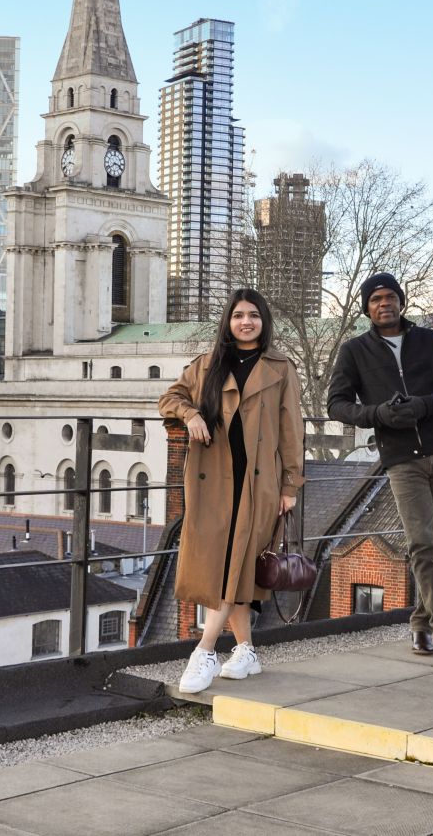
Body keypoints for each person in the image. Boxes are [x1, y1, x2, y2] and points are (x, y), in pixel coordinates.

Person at [159, 288, 306, 694]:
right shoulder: (207, 366)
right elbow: (168, 398)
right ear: (228, 320)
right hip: (213, 481)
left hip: (260, 484)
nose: (246, 321)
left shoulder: (280, 368)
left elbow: (293, 430)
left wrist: (291, 484)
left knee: (234, 562)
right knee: (223, 565)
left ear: (264, 322)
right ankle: (245, 650)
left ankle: (204, 650)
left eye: (254, 315)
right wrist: (190, 414)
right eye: (239, 314)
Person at [327, 273, 433, 663]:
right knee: (423, 544)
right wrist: (379, 414)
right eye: (375, 299)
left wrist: (422, 405)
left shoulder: (430, 341)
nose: (384, 303)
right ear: (366, 307)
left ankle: (420, 624)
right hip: (401, 458)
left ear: (401, 301)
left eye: (390, 297)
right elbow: (336, 405)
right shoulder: (354, 351)